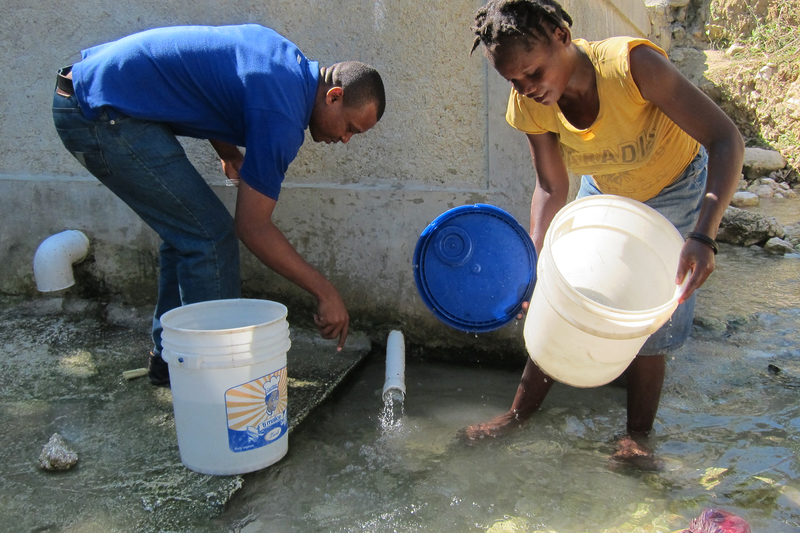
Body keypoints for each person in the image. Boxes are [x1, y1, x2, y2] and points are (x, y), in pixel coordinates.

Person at [464, 0, 743, 462]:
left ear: (560, 35)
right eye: (514, 81)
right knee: (568, 291)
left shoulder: (632, 68)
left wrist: (704, 235)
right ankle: (517, 415)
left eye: (533, 74)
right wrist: (537, 265)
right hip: (606, 187)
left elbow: (725, 138)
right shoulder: (530, 106)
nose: (526, 88)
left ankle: (637, 436)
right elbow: (551, 187)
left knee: (652, 310)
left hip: (674, 186)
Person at [52, 24, 386, 386]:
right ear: (334, 96)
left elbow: (209, 84)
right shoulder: (283, 118)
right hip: (99, 112)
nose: (346, 139)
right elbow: (252, 227)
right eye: (350, 127)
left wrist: (227, 151)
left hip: (101, 94)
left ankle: (169, 362)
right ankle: (216, 385)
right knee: (209, 238)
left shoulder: (285, 63)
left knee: (188, 232)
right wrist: (325, 291)